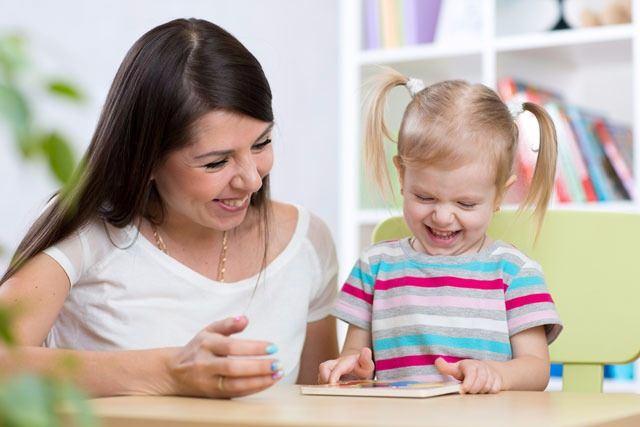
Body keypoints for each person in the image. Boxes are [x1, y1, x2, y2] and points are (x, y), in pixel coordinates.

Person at [0, 18, 338, 398]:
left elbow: (317, 405)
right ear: (146, 162)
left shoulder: (307, 241)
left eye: (261, 143)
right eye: (215, 162)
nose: (252, 180)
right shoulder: (91, 234)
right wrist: (166, 372)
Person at [318, 68, 563, 394]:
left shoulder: (514, 273)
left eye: (466, 203)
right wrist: (350, 370)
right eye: (425, 197)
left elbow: (536, 368)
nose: (443, 216)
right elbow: (354, 356)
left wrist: (496, 374)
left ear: (499, 196)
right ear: (402, 175)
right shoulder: (374, 268)